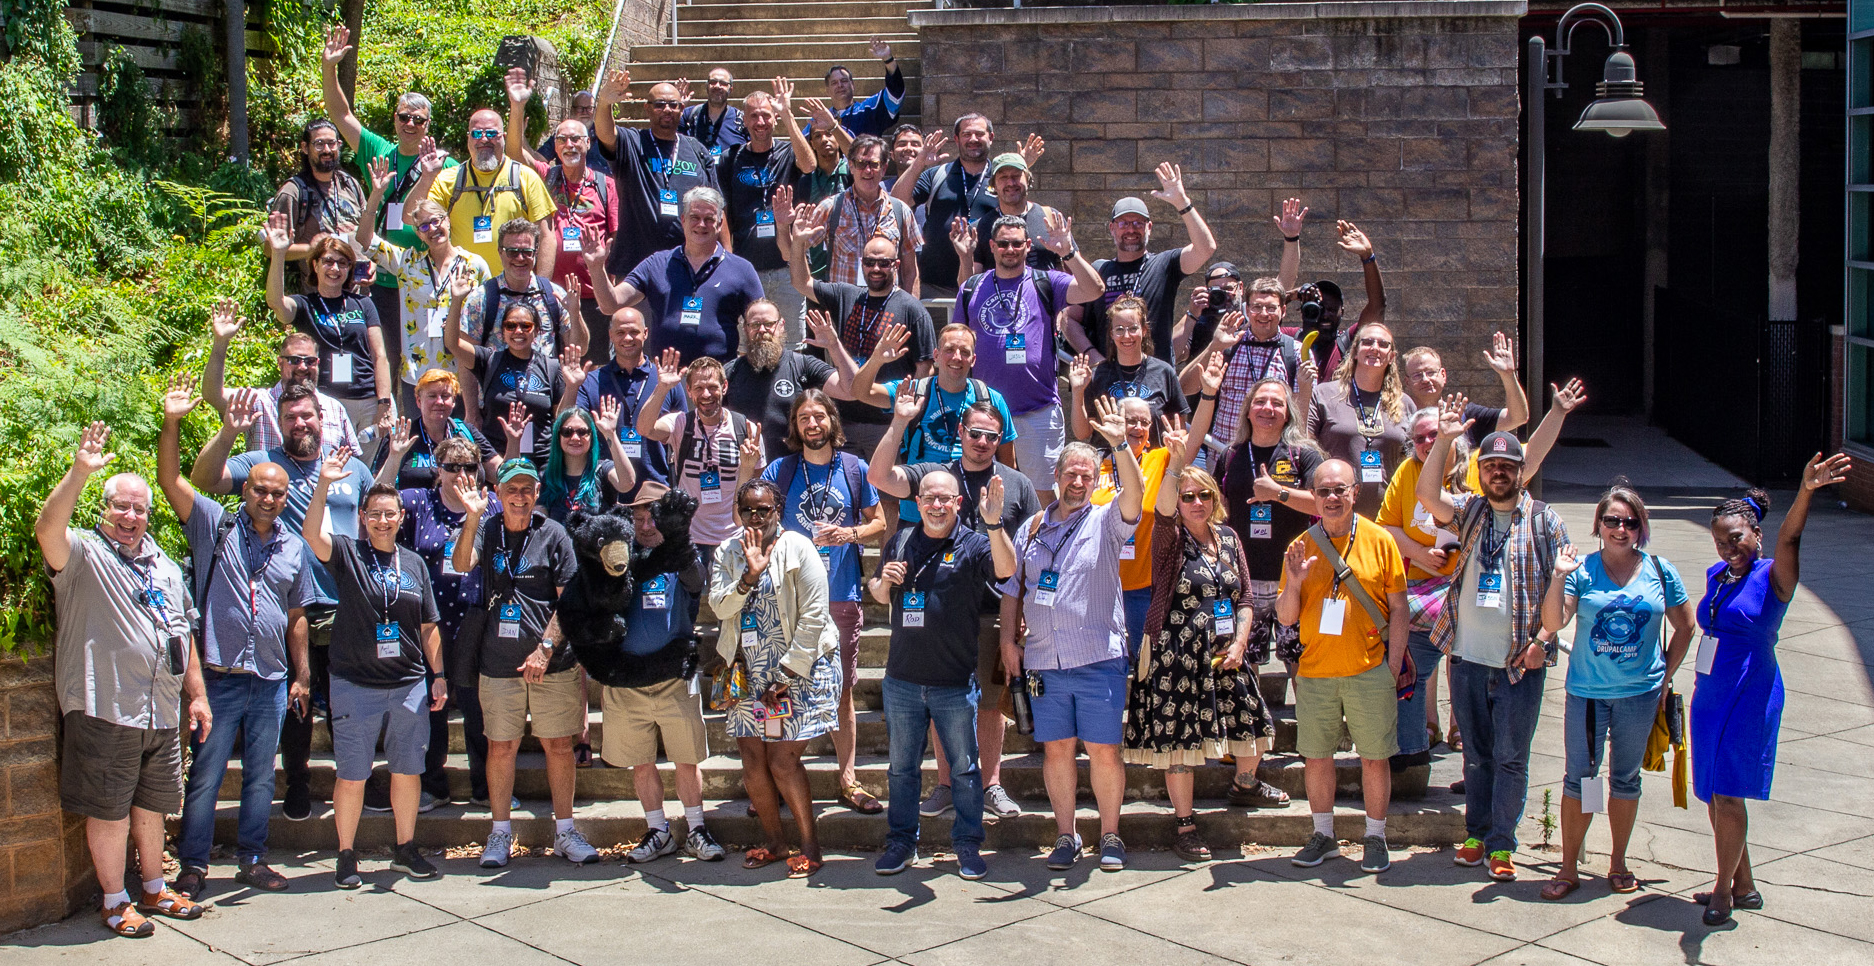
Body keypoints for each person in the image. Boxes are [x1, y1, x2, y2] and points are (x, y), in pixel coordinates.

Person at [39, 423, 211, 937]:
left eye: (140, 509)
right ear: (103, 509)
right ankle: (115, 901)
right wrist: (79, 472)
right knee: (110, 809)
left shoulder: (163, 563)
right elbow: (47, 529)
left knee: (153, 804)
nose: (132, 517)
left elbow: (183, 631)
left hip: (160, 708)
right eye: (122, 507)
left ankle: (155, 888)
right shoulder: (85, 553)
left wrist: (197, 696)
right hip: (105, 704)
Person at [190, 384, 376, 823]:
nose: (301, 423)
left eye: (307, 415)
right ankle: (298, 783)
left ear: (322, 417)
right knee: (299, 703)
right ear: (278, 422)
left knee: (349, 702)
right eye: (291, 417)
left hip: (347, 603)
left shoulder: (348, 466)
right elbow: (203, 479)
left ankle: (356, 781)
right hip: (293, 607)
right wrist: (228, 433)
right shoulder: (264, 466)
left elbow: (374, 522)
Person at [159, 374, 313, 898]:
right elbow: (171, 480)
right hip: (220, 679)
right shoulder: (213, 524)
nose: (269, 498)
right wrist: (176, 424)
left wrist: (303, 675)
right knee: (204, 777)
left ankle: (252, 858)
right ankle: (194, 864)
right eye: (260, 490)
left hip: (270, 680)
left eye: (278, 493)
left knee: (260, 780)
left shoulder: (294, 547)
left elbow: (297, 613)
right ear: (245, 489)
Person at [1690, 453, 1850, 925]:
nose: (1728, 549)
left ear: (1756, 535)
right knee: (1712, 792)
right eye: (1721, 541)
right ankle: (1745, 884)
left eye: (1736, 538)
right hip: (1710, 693)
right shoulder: (1716, 578)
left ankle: (1723, 891)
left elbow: (1792, 536)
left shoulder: (1773, 577)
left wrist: (1805, 491)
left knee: (1730, 793)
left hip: (1750, 693)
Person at [1416, 414, 1572, 883]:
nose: (1499, 472)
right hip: (1466, 658)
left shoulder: (1545, 521)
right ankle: (1476, 834)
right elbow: (1427, 497)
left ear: (1522, 471)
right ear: (1479, 471)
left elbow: (1566, 597)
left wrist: (1543, 643)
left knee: (1510, 757)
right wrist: (1444, 439)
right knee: (1476, 756)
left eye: (1508, 465)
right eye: (1491, 465)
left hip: (1518, 664)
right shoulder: (1471, 511)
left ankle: (1503, 843)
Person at [870, 395, 1039, 819]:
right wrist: (899, 421)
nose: (982, 441)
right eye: (975, 433)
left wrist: (1027, 616)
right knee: (941, 699)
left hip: (994, 611)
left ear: (1001, 439)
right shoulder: (937, 475)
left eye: (991, 436)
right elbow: (879, 476)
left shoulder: (1016, 483)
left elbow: (1034, 546)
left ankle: (991, 785)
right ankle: (945, 784)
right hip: (938, 609)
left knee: (989, 704)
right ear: (960, 433)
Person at [1126, 408, 1274, 862]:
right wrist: (1174, 463)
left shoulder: (1228, 538)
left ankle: (1245, 783)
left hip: (1227, 651)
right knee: (1180, 744)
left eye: (1202, 496)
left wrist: (1241, 641)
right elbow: (1165, 507)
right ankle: (1186, 825)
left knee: (1254, 723)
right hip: (1177, 654)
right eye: (1188, 496)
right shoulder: (1170, 538)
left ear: (1214, 499)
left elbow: (1246, 596)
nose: (1194, 503)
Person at [1001, 402, 1144, 872]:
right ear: (1057, 475)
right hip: (1044, 659)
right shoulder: (1033, 528)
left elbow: (1135, 500)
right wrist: (1008, 641)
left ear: (1098, 478)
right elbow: (1012, 587)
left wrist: (1121, 444)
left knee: (1103, 749)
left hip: (1098, 657)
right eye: (1070, 474)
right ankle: (1066, 835)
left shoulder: (1106, 522)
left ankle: (1109, 835)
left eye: (1087, 475)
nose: (1078, 482)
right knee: (1057, 749)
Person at [1537, 482, 1695, 901]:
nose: (1620, 529)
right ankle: (1569, 866)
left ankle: (1618, 861)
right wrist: (1558, 577)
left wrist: (1665, 676)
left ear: (1641, 527)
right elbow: (1553, 622)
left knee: (1625, 780)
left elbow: (1686, 625)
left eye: (1630, 522)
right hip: (1588, 695)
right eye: (1612, 521)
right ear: (1599, 525)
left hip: (1639, 696)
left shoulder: (1661, 570)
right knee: (1582, 779)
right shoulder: (1583, 570)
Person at [302, 456, 445, 886]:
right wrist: (324, 485)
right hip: (354, 684)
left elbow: (428, 625)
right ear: (362, 519)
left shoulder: (414, 563)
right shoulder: (348, 553)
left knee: (407, 770)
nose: (383, 521)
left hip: (407, 685)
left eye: (390, 514)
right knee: (351, 775)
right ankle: (346, 855)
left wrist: (436, 675)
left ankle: (405, 848)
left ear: (402, 517)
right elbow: (312, 534)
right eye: (375, 514)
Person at [870, 469, 1017, 878]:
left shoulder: (972, 544)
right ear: (917, 502)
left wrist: (993, 523)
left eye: (944, 499)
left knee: (966, 771)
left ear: (958, 503)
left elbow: (1007, 570)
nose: (936, 505)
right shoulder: (900, 540)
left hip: (953, 683)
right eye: (928, 498)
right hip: (902, 680)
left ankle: (968, 845)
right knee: (902, 770)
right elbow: (879, 594)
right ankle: (901, 843)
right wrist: (883, 582)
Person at [450, 460, 596, 866]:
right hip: (496, 661)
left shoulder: (554, 534)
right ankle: (499, 834)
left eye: (527, 489)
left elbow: (569, 599)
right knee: (500, 747)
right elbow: (462, 564)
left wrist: (545, 649)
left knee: (558, 746)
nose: (519, 497)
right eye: (511, 489)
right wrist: (472, 518)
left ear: (536, 493)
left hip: (551, 662)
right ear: (498, 492)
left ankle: (565, 831)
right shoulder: (487, 527)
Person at [1276, 458, 1410, 874]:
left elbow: (1401, 608)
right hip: (1315, 672)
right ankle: (1323, 835)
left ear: (1355, 492)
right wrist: (1295, 582)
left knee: (1374, 757)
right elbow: (1284, 617)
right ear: (1313, 497)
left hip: (1369, 668)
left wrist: (1392, 664)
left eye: (1340, 490)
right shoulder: (1299, 545)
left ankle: (1375, 836)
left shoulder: (1380, 540)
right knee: (1316, 758)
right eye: (1323, 491)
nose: (1332, 498)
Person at [709, 479, 843, 878]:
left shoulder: (799, 548)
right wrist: (749, 575)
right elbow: (718, 606)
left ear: (776, 511)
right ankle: (774, 841)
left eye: (763, 509)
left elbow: (816, 615)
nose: (755, 516)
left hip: (799, 668)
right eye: (747, 509)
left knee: (782, 760)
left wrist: (786, 672)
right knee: (752, 759)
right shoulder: (727, 551)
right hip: (748, 671)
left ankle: (810, 845)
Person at [761, 391, 886, 813]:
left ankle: (847, 780)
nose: (812, 424)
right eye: (803, 418)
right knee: (779, 686)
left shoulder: (855, 469)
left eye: (819, 416)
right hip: (787, 597)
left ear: (833, 421)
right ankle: (776, 778)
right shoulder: (780, 470)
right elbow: (757, 521)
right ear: (794, 427)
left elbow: (880, 523)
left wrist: (847, 534)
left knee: (842, 691)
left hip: (841, 591)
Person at [597, 483, 724, 862]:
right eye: (638, 518)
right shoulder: (619, 557)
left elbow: (697, 582)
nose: (646, 524)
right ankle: (657, 830)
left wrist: (678, 536)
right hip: (628, 679)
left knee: (686, 758)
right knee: (641, 759)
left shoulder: (682, 556)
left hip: (673, 677)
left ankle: (697, 828)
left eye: (653, 516)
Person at [1210, 377, 1314, 813]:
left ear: (1287, 411)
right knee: (1242, 668)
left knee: (1300, 665)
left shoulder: (1303, 455)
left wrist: (1279, 494)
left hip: (1294, 579)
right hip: (1244, 583)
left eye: (1277, 402)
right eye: (1260, 402)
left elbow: (1325, 503)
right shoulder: (1232, 457)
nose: (1268, 408)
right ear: (1248, 410)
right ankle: (1244, 754)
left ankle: (1313, 743)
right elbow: (1214, 509)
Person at [952, 212, 1104, 504]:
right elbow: (959, 340)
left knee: (1042, 494)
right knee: (986, 492)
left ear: (1028, 246)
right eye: (1004, 244)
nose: (1011, 250)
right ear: (992, 246)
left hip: (1038, 411)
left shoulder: (1047, 282)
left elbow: (1094, 289)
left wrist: (1069, 252)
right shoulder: (972, 288)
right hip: (987, 414)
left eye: (1017, 244)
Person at [320, 25, 458, 325]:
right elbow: (341, 114)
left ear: (427, 124)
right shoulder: (378, 150)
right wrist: (329, 67)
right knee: (387, 354)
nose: (410, 123)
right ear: (395, 118)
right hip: (383, 275)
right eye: (404, 116)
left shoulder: (443, 165)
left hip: (427, 274)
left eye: (418, 120)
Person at [784, 209, 935, 462]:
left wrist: (909, 419)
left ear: (896, 265)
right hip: (843, 420)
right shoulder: (846, 294)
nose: (876, 268)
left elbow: (925, 370)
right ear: (861, 263)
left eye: (884, 263)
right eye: (869, 262)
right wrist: (798, 243)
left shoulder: (912, 309)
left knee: (887, 497)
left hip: (886, 425)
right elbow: (802, 283)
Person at [395, 437, 496, 809]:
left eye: (469, 467)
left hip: (475, 619)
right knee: (431, 707)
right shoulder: (417, 504)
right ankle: (433, 786)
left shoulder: (491, 506)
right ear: (438, 469)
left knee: (476, 708)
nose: (461, 475)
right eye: (452, 467)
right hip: (427, 622)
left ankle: (486, 787)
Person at [358, 154, 496, 412]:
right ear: (418, 233)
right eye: (423, 226)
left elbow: (488, 319)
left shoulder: (474, 265)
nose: (432, 229)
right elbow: (365, 239)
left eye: (437, 221)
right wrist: (375, 195)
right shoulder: (407, 262)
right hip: (416, 375)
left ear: (447, 220)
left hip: (460, 373)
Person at [851, 323, 1018, 525]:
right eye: (949, 350)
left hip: (971, 514)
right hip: (918, 511)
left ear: (973, 360)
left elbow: (1007, 464)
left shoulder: (991, 400)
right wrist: (877, 358)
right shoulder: (913, 392)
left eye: (964, 352)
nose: (956, 357)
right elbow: (860, 392)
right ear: (936, 355)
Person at [1377, 407, 1469, 769]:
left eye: (1437, 435)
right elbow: (1387, 527)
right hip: (1420, 585)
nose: (1429, 442)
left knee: (1469, 668)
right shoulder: (1407, 471)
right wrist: (1420, 553)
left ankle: (1467, 740)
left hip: (1467, 584)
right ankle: (1411, 746)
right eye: (1421, 438)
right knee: (1403, 658)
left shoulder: (1473, 470)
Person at [505, 68, 618, 361]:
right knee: (551, 364)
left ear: (588, 143)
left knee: (592, 366)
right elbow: (515, 153)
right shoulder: (545, 176)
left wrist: (611, 286)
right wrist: (517, 107)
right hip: (551, 293)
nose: (570, 145)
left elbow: (616, 239)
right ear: (554, 147)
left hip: (593, 296)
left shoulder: (606, 185)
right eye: (563, 140)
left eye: (576, 139)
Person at [586, 187, 763, 363]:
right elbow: (610, 304)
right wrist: (596, 268)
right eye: (695, 217)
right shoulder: (656, 264)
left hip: (717, 380)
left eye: (709, 219)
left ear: (719, 223)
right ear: (683, 219)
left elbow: (762, 321)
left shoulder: (742, 269)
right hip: (666, 380)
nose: (701, 224)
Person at [1061, 165, 1216, 364]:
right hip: (1108, 378)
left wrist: (1181, 202)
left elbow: (1206, 248)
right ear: (1112, 228)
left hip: (1154, 378)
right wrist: (1094, 359)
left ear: (1149, 227)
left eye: (1138, 223)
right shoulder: (1098, 271)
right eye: (1123, 223)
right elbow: (1069, 319)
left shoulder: (1164, 265)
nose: (1131, 230)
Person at [263, 217, 395, 448]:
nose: (335, 268)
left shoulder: (363, 303)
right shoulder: (305, 304)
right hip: (326, 400)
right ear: (315, 265)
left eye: (343, 263)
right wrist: (279, 255)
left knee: (365, 471)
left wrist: (384, 403)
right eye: (328, 261)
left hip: (368, 401)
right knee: (329, 464)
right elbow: (277, 303)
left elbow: (380, 356)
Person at [592, 67, 721, 281]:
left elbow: (716, 206)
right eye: (660, 105)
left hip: (688, 264)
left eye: (673, 105)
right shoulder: (632, 142)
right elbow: (605, 133)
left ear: (682, 109)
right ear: (647, 109)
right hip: (636, 265)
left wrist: (725, 252)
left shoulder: (697, 150)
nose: (667, 110)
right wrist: (605, 102)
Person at [405, 108, 557, 284]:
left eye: (492, 133)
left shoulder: (525, 177)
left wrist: (542, 288)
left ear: (503, 137)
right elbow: (410, 217)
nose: (484, 139)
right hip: (463, 288)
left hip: (513, 290)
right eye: (477, 133)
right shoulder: (449, 180)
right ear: (468, 138)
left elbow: (547, 237)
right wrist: (427, 177)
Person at [442, 271, 577, 467]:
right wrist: (456, 302)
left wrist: (572, 386)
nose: (518, 331)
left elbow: (561, 418)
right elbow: (453, 344)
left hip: (541, 461)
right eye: (511, 326)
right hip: (497, 459)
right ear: (503, 331)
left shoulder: (551, 366)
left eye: (526, 326)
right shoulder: (488, 359)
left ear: (537, 331)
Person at [639, 352, 761, 564]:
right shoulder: (680, 424)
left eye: (713, 387)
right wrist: (662, 388)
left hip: (733, 538)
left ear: (724, 387)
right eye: (698, 388)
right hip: (689, 539)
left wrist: (749, 465)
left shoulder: (746, 429)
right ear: (689, 391)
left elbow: (756, 489)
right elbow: (644, 428)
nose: (706, 394)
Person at [201, 298, 361, 455]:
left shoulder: (335, 408)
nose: (303, 367)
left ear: (318, 363)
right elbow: (213, 394)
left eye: (310, 361)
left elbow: (354, 461)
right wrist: (220, 342)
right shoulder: (258, 402)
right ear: (280, 363)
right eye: (294, 360)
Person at [1180, 276, 1313, 462]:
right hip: (1223, 455)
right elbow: (1184, 388)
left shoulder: (1296, 352)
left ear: (1283, 311)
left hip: (1274, 458)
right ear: (1247, 310)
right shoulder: (1229, 345)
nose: (1264, 314)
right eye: (1257, 307)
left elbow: (1300, 418)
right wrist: (1214, 346)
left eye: (1271, 308)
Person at [720, 89, 815, 331]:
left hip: (788, 269)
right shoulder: (730, 158)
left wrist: (787, 114)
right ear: (744, 119)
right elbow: (722, 211)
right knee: (747, 340)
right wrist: (728, 256)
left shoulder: (788, 152)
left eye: (766, 115)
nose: (760, 122)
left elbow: (810, 164)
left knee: (791, 340)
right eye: (753, 116)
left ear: (774, 119)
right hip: (747, 267)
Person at [1172, 202, 1305, 364]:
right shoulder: (1199, 323)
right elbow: (1172, 355)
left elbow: (1285, 282)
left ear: (1240, 288)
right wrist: (1191, 315)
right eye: (1216, 290)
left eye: (1228, 288)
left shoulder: (1252, 313)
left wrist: (1291, 237)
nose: (1222, 294)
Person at [575, 307, 688, 495]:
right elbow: (570, 428)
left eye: (634, 332)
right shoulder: (592, 382)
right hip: (606, 492)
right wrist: (571, 388)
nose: (627, 338)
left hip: (656, 490)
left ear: (645, 333)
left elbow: (682, 437)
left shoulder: (666, 381)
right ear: (611, 335)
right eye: (620, 332)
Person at [723, 300, 847, 461]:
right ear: (745, 329)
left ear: (781, 325)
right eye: (755, 325)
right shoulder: (730, 371)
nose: (762, 330)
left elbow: (848, 389)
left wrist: (834, 345)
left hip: (793, 472)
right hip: (745, 472)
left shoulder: (803, 365)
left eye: (769, 324)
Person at [891, 113, 999, 298]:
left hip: (989, 286)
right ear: (956, 139)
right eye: (966, 134)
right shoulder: (937, 175)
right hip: (935, 287)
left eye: (979, 134)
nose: (973, 139)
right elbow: (897, 203)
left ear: (991, 137)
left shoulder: (1002, 178)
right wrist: (920, 161)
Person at [1309, 321, 1407, 519]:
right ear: (1354, 352)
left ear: (1391, 357)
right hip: (1334, 516)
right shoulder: (1324, 394)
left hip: (1388, 519)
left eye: (1383, 344)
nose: (1374, 348)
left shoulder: (1405, 404)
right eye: (1367, 342)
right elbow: (1305, 447)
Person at [457, 219, 584, 370]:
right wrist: (470, 395)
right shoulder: (480, 299)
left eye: (527, 252)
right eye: (512, 252)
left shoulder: (554, 295)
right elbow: (467, 362)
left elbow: (579, 348)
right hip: (497, 392)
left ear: (536, 252)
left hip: (545, 390)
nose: (520, 258)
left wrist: (575, 315)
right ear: (500, 251)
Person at [802, 136, 919, 293]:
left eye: (874, 164)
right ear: (851, 166)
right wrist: (784, 228)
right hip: (844, 308)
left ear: (884, 168)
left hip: (887, 309)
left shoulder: (900, 211)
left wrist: (910, 311)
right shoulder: (830, 208)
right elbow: (792, 253)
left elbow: (911, 271)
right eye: (861, 164)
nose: (867, 170)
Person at [1068, 296, 1189, 447]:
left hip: (1150, 463)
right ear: (1111, 334)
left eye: (1133, 328)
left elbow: (1180, 428)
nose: (1126, 336)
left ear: (1144, 330)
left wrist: (1177, 437)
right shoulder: (1098, 374)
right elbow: (1081, 434)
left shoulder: (1164, 372)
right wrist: (1078, 392)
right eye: (1119, 329)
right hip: (1107, 463)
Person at [270, 118, 367, 291]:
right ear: (305, 148)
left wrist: (372, 262)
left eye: (332, 143)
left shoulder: (350, 184)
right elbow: (271, 250)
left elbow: (368, 234)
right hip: (319, 300)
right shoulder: (293, 192)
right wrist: (310, 249)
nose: (327, 150)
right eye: (319, 144)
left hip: (359, 298)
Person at [373, 370, 502, 489]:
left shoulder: (466, 432)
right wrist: (394, 456)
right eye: (432, 396)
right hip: (413, 511)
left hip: (464, 509)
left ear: (454, 401)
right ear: (418, 401)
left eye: (445, 396)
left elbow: (501, 473)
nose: (439, 401)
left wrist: (514, 441)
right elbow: (378, 491)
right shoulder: (400, 435)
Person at [1292, 219, 1386, 373]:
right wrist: (1291, 296)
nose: (1326, 315)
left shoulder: (1347, 342)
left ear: (1342, 311)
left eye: (1332, 309)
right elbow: (1259, 317)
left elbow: (1378, 306)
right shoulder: (1290, 338)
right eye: (1319, 308)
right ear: (1304, 310)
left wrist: (1368, 257)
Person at [1401, 336, 1528, 449]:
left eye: (1430, 372)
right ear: (1407, 382)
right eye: (1417, 375)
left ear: (1443, 375)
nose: (1425, 379)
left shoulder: (1466, 414)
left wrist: (1508, 375)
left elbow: (1517, 418)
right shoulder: (1399, 420)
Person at [966, 153, 1064, 277]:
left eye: (1016, 176)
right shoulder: (979, 228)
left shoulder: (1051, 218)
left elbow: (1069, 272)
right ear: (994, 185)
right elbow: (968, 286)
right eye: (1003, 177)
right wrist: (965, 257)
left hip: (1045, 295)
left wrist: (1068, 253)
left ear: (1028, 180)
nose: (1011, 183)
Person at [538, 404, 636, 524]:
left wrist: (610, 434)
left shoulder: (602, 470)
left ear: (592, 436)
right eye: (567, 432)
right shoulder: (547, 477)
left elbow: (627, 483)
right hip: (558, 543)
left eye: (582, 432)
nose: (575, 437)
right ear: (558, 437)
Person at [819, 38, 905, 137]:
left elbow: (895, 95)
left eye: (844, 81)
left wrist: (888, 59)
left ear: (853, 85)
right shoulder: (821, 119)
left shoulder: (869, 109)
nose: (840, 85)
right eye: (834, 83)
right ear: (827, 91)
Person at [534, 89, 611, 176]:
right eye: (580, 108)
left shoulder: (605, 134)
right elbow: (537, 160)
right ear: (572, 110)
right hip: (568, 187)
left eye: (589, 108)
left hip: (600, 187)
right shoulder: (562, 136)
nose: (585, 112)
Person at [679, 66, 746, 155]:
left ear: (731, 89)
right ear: (707, 86)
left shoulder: (741, 120)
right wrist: (677, 107)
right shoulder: (689, 115)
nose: (717, 86)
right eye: (713, 82)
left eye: (723, 83)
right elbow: (670, 137)